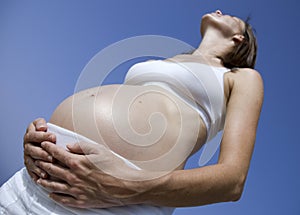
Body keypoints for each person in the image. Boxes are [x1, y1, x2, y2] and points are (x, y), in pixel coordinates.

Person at [1, 9, 263, 214]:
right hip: (33, 180)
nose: (218, 10)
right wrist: (41, 135)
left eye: (229, 15)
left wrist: (123, 186)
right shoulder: (165, 62)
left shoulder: (241, 77)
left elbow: (233, 180)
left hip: (111, 204)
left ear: (239, 38)